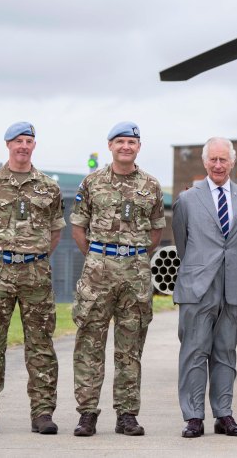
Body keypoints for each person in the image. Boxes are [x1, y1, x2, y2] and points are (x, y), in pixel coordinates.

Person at [0, 122, 65, 435]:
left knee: (40, 345)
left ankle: (42, 413)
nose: (23, 146)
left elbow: (55, 230)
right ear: (7, 144)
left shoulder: (48, 186)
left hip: (36, 274)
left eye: (29, 141)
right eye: (18, 141)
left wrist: (34, 259)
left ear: (34, 146)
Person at [70, 121, 164, 437]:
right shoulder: (92, 183)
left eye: (132, 142)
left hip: (135, 273)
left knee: (130, 346)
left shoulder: (151, 185)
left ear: (139, 147)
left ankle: (127, 414)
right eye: (120, 141)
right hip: (98, 270)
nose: (126, 146)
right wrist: (100, 256)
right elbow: (78, 229)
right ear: (110, 145)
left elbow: (156, 231)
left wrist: (131, 256)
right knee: (89, 344)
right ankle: (87, 414)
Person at [172, 137, 237, 439]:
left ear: (232, 162)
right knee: (194, 352)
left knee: (225, 352)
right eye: (213, 160)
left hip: (234, 285)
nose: (218, 165)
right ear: (204, 162)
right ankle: (193, 416)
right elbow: (183, 244)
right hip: (198, 286)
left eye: (224, 160)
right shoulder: (187, 200)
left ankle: (224, 415)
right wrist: (201, 269)